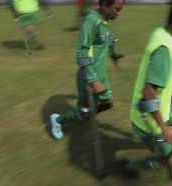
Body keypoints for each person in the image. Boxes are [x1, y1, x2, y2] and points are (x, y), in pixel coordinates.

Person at [123, 0, 172, 176]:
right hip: (146, 120)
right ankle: (130, 167)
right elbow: (148, 94)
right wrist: (164, 129)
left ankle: (162, 143)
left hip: (159, 109)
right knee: (166, 160)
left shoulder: (163, 32)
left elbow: (168, 72)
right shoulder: (165, 49)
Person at [50, 0, 125, 140]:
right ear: (105, 5)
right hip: (89, 78)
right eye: (117, 9)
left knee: (106, 103)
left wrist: (115, 53)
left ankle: (84, 114)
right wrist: (93, 80)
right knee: (84, 111)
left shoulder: (103, 21)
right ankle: (57, 120)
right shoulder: (91, 22)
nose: (119, 13)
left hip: (100, 77)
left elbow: (107, 39)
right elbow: (82, 53)